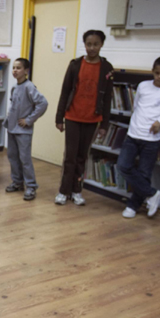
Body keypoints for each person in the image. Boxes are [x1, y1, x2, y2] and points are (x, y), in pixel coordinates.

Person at [117, 56, 160, 219]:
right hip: (133, 135)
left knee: (144, 174)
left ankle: (133, 206)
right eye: (157, 73)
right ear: (152, 72)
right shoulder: (143, 86)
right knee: (123, 166)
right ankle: (152, 194)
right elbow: (137, 107)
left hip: (152, 140)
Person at [55, 30, 114, 206]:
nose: (92, 48)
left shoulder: (106, 68)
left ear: (101, 45)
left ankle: (77, 190)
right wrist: (59, 118)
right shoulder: (75, 65)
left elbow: (107, 98)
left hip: (92, 119)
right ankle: (63, 191)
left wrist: (104, 124)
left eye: (96, 44)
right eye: (89, 44)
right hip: (73, 116)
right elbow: (65, 91)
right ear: (84, 44)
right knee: (70, 157)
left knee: (83, 157)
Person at [4, 58, 48, 201]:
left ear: (26, 71)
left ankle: (31, 186)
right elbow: (14, 107)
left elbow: (42, 103)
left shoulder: (29, 87)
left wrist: (29, 120)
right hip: (12, 129)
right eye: (14, 68)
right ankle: (17, 182)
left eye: (19, 68)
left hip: (23, 131)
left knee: (25, 159)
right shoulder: (14, 87)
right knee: (12, 157)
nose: (15, 70)